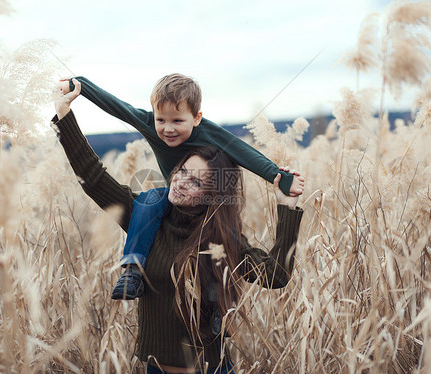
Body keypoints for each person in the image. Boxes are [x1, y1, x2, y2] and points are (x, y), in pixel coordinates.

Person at [53, 80, 305, 373]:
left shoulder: (220, 237)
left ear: (213, 193)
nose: (181, 181)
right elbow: (92, 176)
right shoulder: (145, 219)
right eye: (183, 171)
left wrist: (288, 206)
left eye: (196, 181)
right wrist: (64, 114)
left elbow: (276, 275)